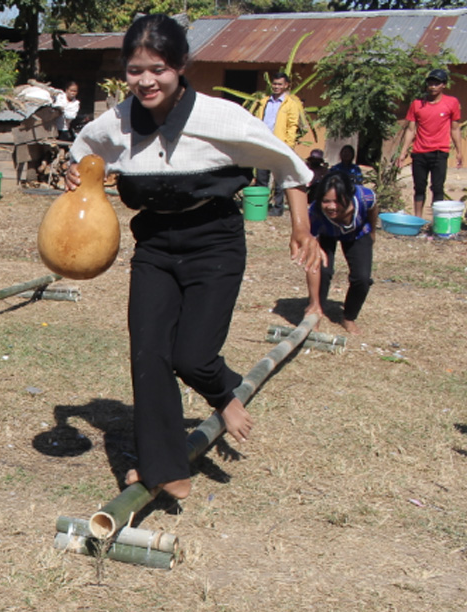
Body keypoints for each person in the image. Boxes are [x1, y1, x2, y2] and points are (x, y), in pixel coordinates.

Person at [66, 14, 324, 500]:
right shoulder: (116, 122)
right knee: (148, 354)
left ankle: (222, 392)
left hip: (214, 240)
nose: (146, 81)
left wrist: (301, 228)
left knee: (193, 356)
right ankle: (162, 467)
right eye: (135, 69)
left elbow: (288, 163)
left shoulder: (218, 116)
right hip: (155, 244)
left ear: (181, 65)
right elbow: (83, 153)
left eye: (158, 68)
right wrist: (76, 179)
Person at [304, 171, 377, 336]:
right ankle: (316, 312)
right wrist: (314, 302)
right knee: (323, 270)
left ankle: (349, 317)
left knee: (362, 278)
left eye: (337, 201)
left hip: (357, 233)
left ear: (349, 196)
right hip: (326, 233)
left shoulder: (365, 198)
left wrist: (372, 232)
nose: (331, 206)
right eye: (326, 201)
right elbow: (311, 263)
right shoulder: (315, 213)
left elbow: (373, 210)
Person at [397, 68, 462, 218]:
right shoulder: (417, 104)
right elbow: (410, 130)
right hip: (419, 152)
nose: (433, 86)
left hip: (440, 152)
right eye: (430, 82)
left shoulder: (451, 103)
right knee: (419, 187)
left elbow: (455, 128)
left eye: (436, 83)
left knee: (438, 188)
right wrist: (403, 152)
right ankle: (417, 219)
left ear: (443, 85)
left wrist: (459, 151)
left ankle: (436, 221)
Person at [254, 72, 305, 216]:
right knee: (261, 177)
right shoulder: (264, 101)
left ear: (286, 85)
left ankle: (277, 208)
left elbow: (292, 125)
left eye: (279, 84)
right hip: (264, 144)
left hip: (279, 145)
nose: (276, 87)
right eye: (274, 84)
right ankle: (260, 207)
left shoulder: (290, 104)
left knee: (279, 179)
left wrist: (288, 145)